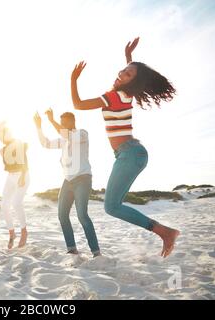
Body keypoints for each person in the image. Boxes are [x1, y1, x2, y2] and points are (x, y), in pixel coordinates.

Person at [70, 37, 180, 258]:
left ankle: (166, 233)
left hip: (130, 154)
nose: (121, 73)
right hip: (130, 154)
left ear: (132, 82)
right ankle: (165, 232)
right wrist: (129, 58)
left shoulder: (113, 97)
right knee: (113, 205)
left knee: (111, 207)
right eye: (123, 70)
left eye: (127, 74)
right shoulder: (126, 94)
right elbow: (132, 76)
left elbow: (78, 105)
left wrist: (73, 79)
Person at [34, 109, 101, 257]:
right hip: (68, 181)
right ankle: (72, 249)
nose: (62, 125)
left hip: (83, 179)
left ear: (72, 122)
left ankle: (96, 252)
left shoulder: (82, 134)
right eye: (61, 122)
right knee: (62, 215)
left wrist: (51, 120)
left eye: (64, 122)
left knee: (82, 215)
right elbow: (45, 143)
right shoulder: (63, 140)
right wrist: (39, 126)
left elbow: (66, 134)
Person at [0, 122, 30, 249]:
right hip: (10, 176)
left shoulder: (19, 143)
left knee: (16, 203)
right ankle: (12, 233)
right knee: (4, 205)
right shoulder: (2, 150)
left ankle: (24, 232)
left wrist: (22, 175)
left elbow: (24, 162)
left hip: (22, 175)